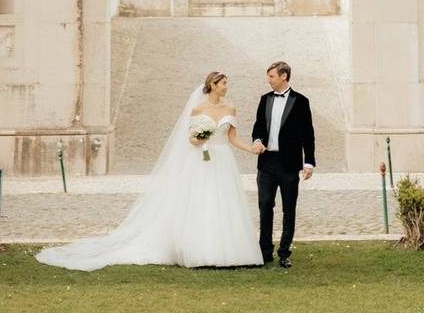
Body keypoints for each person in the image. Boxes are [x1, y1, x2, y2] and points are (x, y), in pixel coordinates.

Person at [36, 72, 263, 271]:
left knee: (224, 202)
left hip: (222, 160)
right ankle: (200, 251)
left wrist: (251, 149)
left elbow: (232, 138)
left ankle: (230, 250)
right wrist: (202, 138)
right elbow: (191, 139)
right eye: (223, 83)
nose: (226, 86)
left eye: (226, 83)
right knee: (202, 202)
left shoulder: (230, 108)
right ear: (213, 85)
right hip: (202, 160)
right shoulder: (198, 109)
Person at [251, 61, 316, 268]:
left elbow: (308, 135)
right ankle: (265, 251)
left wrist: (309, 163)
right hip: (267, 163)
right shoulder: (265, 99)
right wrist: (257, 140)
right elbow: (258, 126)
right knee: (265, 206)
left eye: (271, 76)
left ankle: (284, 253)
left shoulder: (301, 101)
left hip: (289, 164)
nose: (268, 80)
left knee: (289, 209)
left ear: (284, 76)